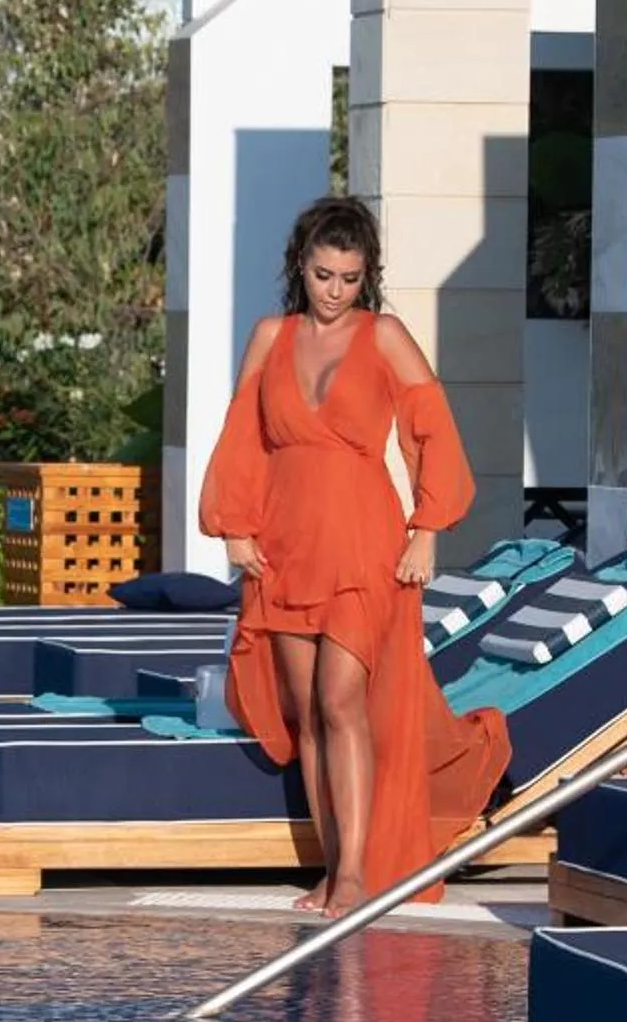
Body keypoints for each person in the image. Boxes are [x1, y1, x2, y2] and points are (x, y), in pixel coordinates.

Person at [197, 196, 512, 915]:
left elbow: (434, 432)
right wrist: (235, 528)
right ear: (298, 267)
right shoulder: (269, 337)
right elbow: (242, 436)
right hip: (283, 544)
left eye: (348, 277)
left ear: (365, 276)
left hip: (364, 544)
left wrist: (426, 529)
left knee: (342, 698)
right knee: (308, 711)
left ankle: (357, 880)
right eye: (321, 274)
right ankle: (333, 864)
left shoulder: (385, 336)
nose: (334, 290)